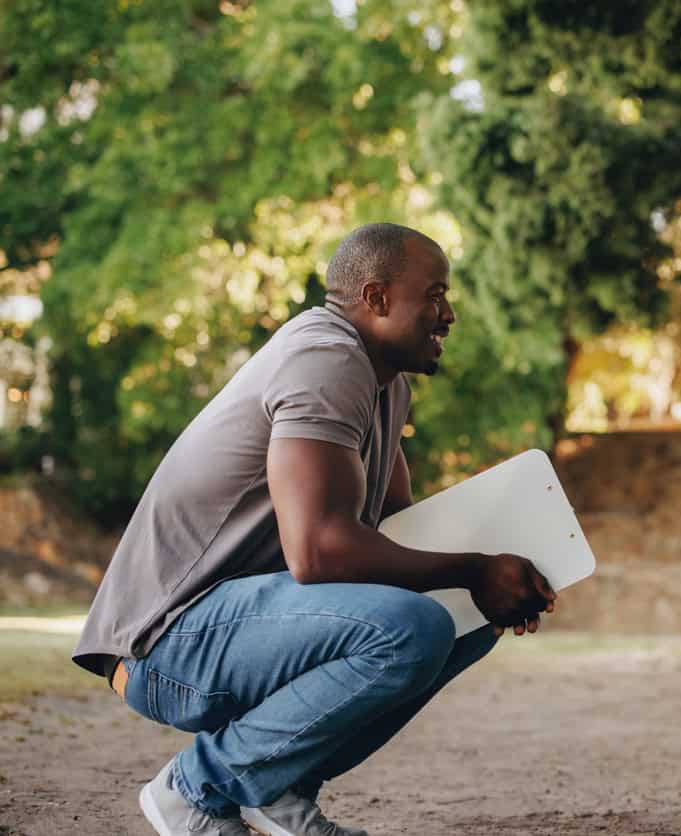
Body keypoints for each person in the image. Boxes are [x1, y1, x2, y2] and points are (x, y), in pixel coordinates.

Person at [72, 223, 557, 836]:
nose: (449, 314)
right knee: (414, 625)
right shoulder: (326, 359)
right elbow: (319, 551)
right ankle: (195, 790)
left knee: (465, 614)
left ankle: (277, 789)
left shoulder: (385, 384)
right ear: (377, 298)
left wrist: (502, 570)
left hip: (243, 628)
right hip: (165, 643)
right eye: (433, 296)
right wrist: (472, 567)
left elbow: (397, 532)